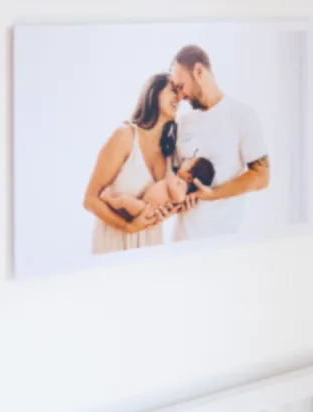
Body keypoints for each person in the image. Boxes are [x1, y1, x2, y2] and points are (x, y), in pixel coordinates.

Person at [170, 44, 270, 241]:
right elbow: (174, 175)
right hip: (180, 240)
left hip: (220, 240)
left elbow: (262, 176)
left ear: (199, 71)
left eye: (181, 86)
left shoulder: (242, 114)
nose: (180, 96)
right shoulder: (183, 122)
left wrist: (212, 194)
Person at [83, 73, 180, 254]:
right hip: (114, 244)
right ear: (154, 92)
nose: (179, 97)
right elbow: (90, 199)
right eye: (173, 90)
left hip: (151, 245)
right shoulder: (125, 136)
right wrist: (127, 227)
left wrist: (165, 212)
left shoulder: (169, 154)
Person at [100, 156, 215, 220]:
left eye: (189, 162)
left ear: (189, 176)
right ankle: (113, 201)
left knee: (124, 200)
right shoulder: (177, 180)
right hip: (144, 204)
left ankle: (108, 199)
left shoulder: (182, 185)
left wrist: (170, 180)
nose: (185, 160)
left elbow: (179, 198)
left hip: (147, 210)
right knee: (126, 201)